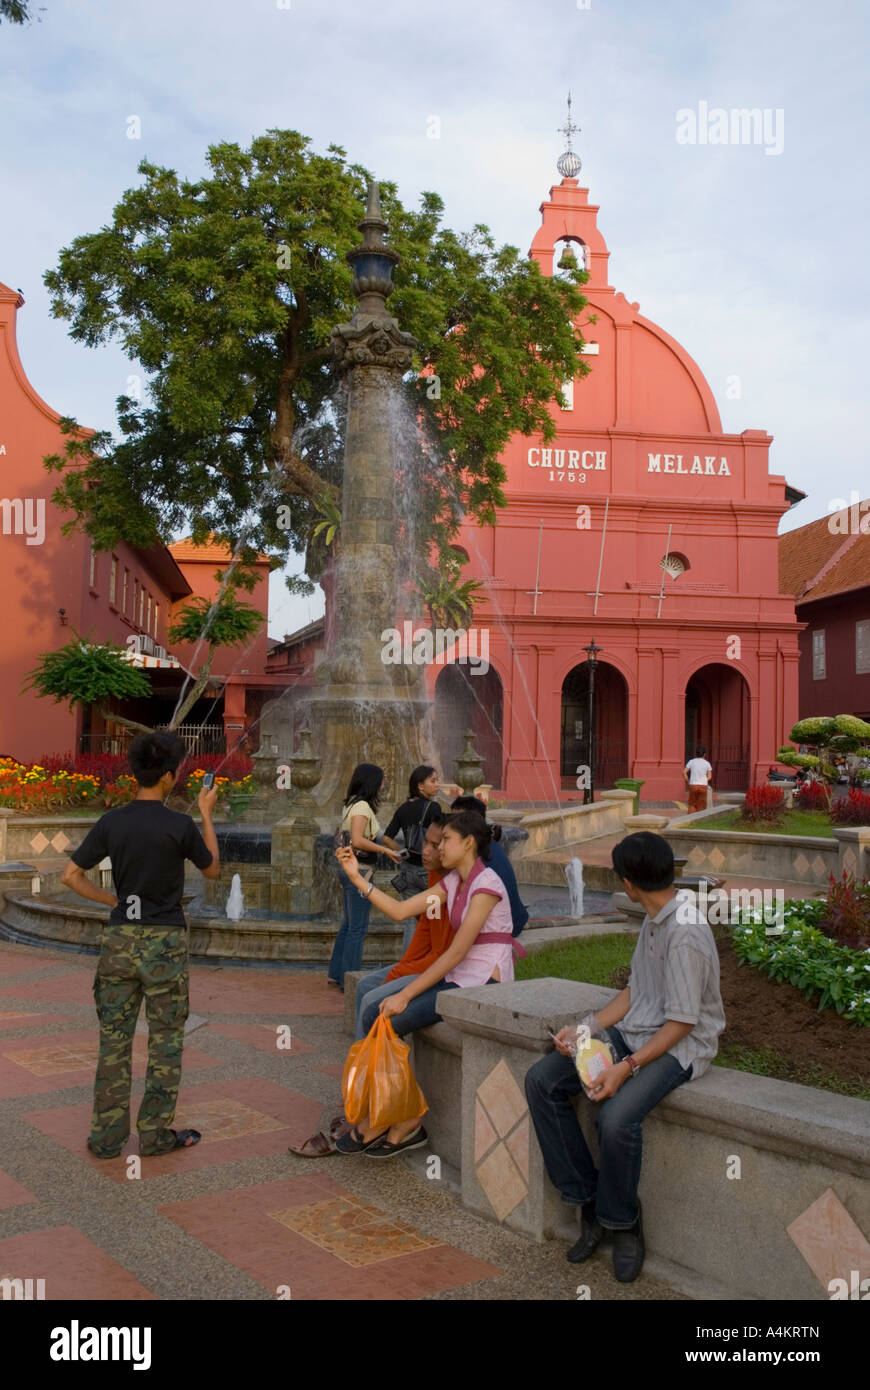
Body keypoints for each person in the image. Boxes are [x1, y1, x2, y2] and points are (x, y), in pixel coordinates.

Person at [524, 831, 725, 1283]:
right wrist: (585, 1030)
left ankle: (622, 1221)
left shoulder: (686, 931)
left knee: (615, 1119)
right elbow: (636, 992)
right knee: (543, 1080)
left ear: (629, 883)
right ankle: (588, 1199)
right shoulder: (655, 919)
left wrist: (625, 1067)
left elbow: (683, 1023)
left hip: (681, 1046)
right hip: (638, 1031)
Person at [60, 731, 221, 1159]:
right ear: (169, 777)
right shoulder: (179, 825)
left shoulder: (112, 822)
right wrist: (206, 814)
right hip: (164, 941)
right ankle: (153, 1135)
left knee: (114, 1039)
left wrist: (112, 900)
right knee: (165, 1039)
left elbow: (69, 876)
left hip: (119, 939)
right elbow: (212, 872)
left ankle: (107, 1138)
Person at [333, 810, 520, 1158]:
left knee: (386, 1015)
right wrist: (357, 877)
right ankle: (391, 1112)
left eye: (446, 839)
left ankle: (405, 1119)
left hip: (481, 984)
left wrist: (405, 994)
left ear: (468, 843)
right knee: (376, 1009)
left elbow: (456, 951)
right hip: (459, 978)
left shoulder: (487, 884)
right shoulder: (453, 883)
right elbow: (402, 911)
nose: (438, 846)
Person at [288, 810, 451, 1159]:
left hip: (453, 976)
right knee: (367, 989)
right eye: (429, 841)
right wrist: (398, 973)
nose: (426, 848)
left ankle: (379, 1110)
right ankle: (363, 1098)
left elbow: (443, 950)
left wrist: (399, 982)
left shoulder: (464, 883)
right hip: (433, 965)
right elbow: (425, 938)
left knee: (376, 1000)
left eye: (439, 844)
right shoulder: (439, 876)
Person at [327, 763, 402, 991]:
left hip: (351, 867)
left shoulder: (352, 804)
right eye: (381, 780)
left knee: (349, 924)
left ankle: (338, 972)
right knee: (358, 927)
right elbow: (358, 840)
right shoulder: (361, 807)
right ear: (371, 782)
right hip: (359, 870)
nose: (383, 784)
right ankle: (350, 979)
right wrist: (386, 850)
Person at [450, 795, 529, 935]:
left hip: (504, 929)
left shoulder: (475, 857)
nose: (449, 826)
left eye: (455, 821)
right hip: (515, 921)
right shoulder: (487, 844)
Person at [382, 765, 442, 944]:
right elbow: (440, 836)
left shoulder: (403, 809)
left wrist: (403, 853)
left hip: (407, 871)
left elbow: (386, 838)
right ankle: (431, 961)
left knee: (410, 921)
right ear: (420, 786)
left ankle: (407, 963)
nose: (437, 784)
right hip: (429, 873)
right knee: (434, 917)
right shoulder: (433, 807)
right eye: (433, 781)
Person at [684, 744, 713, 813]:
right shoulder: (707, 763)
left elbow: (684, 772)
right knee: (701, 804)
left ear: (696, 754)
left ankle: (691, 817)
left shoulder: (691, 761)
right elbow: (709, 776)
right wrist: (705, 780)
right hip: (703, 785)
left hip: (693, 785)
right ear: (704, 754)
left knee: (692, 803)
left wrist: (687, 781)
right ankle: (699, 818)